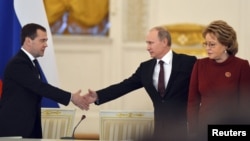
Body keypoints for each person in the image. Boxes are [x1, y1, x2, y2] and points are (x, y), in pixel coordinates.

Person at [84, 26, 197, 140]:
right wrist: (98, 96)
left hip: (186, 131)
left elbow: (203, 87)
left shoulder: (188, 62)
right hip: (159, 133)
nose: (147, 48)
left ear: (164, 42)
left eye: (150, 43)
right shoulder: (146, 68)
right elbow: (125, 86)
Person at [0, 23, 89, 138]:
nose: (46, 45)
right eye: (42, 40)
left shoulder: (31, 63)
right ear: (28, 41)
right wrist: (71, 97)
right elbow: (40, 87)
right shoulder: (18, 63)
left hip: (29, 128)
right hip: (14, 129)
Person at [187, 20, 250, 141]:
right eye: (205, 44)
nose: (207, 48)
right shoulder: (200, 65)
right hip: (203, 130)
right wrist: (193, 131)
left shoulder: (241, 65)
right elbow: (192, 102)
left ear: (226, 44)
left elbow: (246, 105)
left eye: (212, 44)